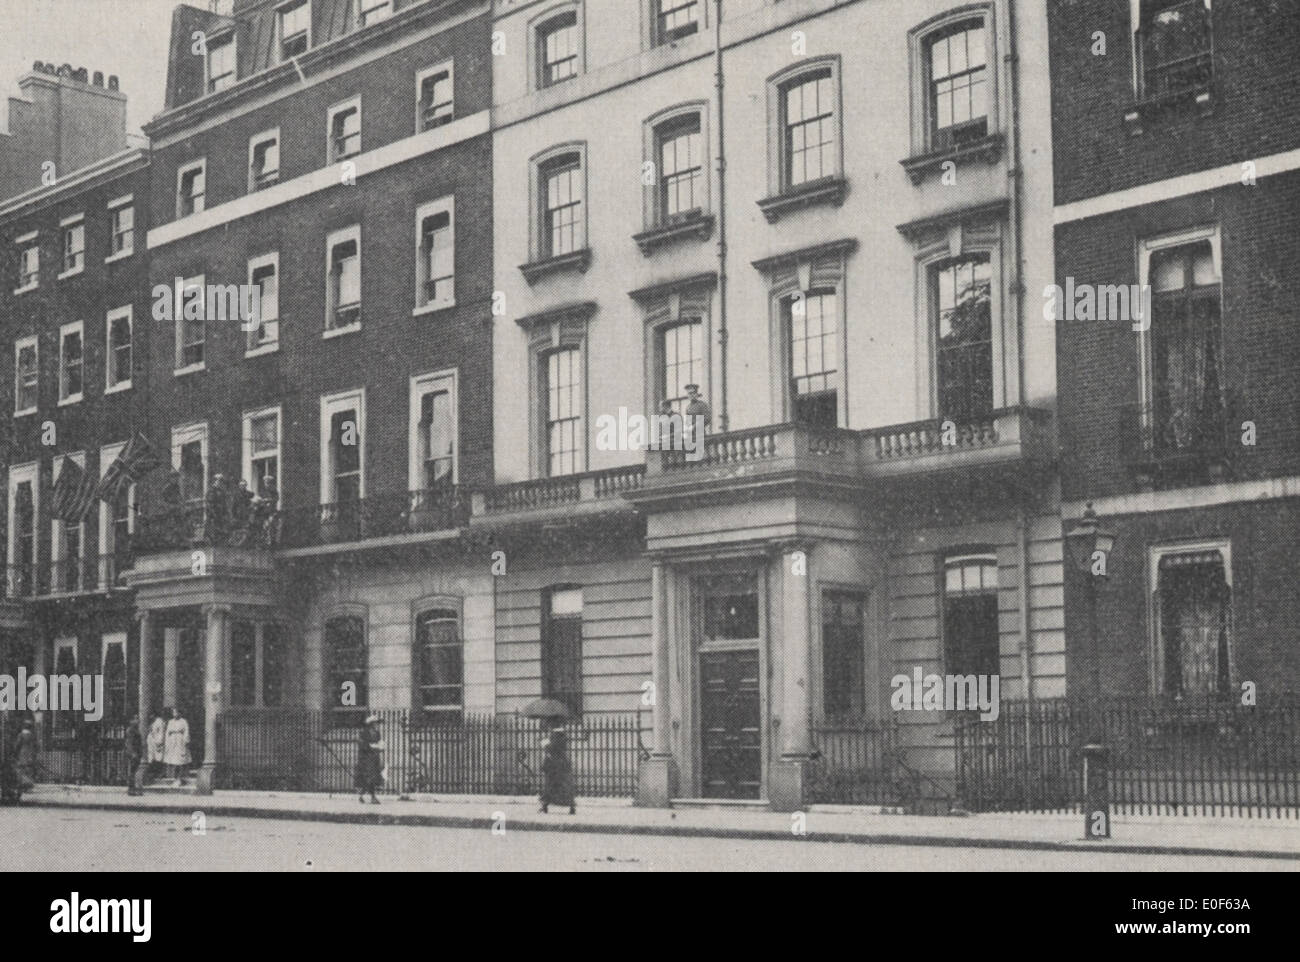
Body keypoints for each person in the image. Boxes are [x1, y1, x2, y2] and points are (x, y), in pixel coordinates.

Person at [539, 725, 575, 815]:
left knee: (551, 785)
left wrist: (545, 744)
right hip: (562, 765)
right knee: (564, 785)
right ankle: (571, 806)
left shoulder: (557, 735)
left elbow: (553, 749)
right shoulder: (562, 735)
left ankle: (545, 806)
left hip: (555, 765)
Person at [354, 715, 384, 804]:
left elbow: (379, 742)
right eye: (375, 723)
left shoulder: (377, 733)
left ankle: (366, 796)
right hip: (365, 759)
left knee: (373, 778)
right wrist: (372, 746)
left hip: (374, 758)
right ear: (370, 724)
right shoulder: (363, 732)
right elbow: (362, 745)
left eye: (377, 723)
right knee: (367, 778)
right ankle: (370, 797)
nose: (377, 724)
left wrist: (380, 746)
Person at [163, 707, 191, 785]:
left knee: (180, 761)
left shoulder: (183, 721)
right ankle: (175, 778)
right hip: (172, 742)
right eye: (173, 713)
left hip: (180, 741)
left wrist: (185, 741)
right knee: (173, 761)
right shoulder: (170, 722)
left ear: (179, 713)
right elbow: (167, 732)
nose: (174, 714)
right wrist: (167, 742)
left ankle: (180, 778)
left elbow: (186, 731)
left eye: (176, 712)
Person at [12, 718, 36, 795]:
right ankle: (28, 786)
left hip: (22, 754)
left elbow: (17, 745)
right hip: (30, 754)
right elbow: (36, 745)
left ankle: (21, 786)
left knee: (21, 770)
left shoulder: (21, 735)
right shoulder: (32, 735)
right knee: (28, 770)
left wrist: (14, 753)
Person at [124, 715, 143, 795]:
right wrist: (133, 753)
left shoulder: (135, 729)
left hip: (137, 752)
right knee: (132, 771)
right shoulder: (131, 730)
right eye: (136, 719)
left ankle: (134, 789)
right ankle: (131, 789)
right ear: (131, 721)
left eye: (138, 719)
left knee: (134, 771)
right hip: (133, 753)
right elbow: (129, 743)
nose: (138, 721)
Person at [147, 710, 166, 782]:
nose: (150, 717)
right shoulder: (152, 722)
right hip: (152, 741)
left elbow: (161, 732)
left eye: (151, 715)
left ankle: (160, 772)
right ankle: (153, 773)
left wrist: (159, 742)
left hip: (157, 741)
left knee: (159, 757)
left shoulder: (159, 721)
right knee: (152, 757)